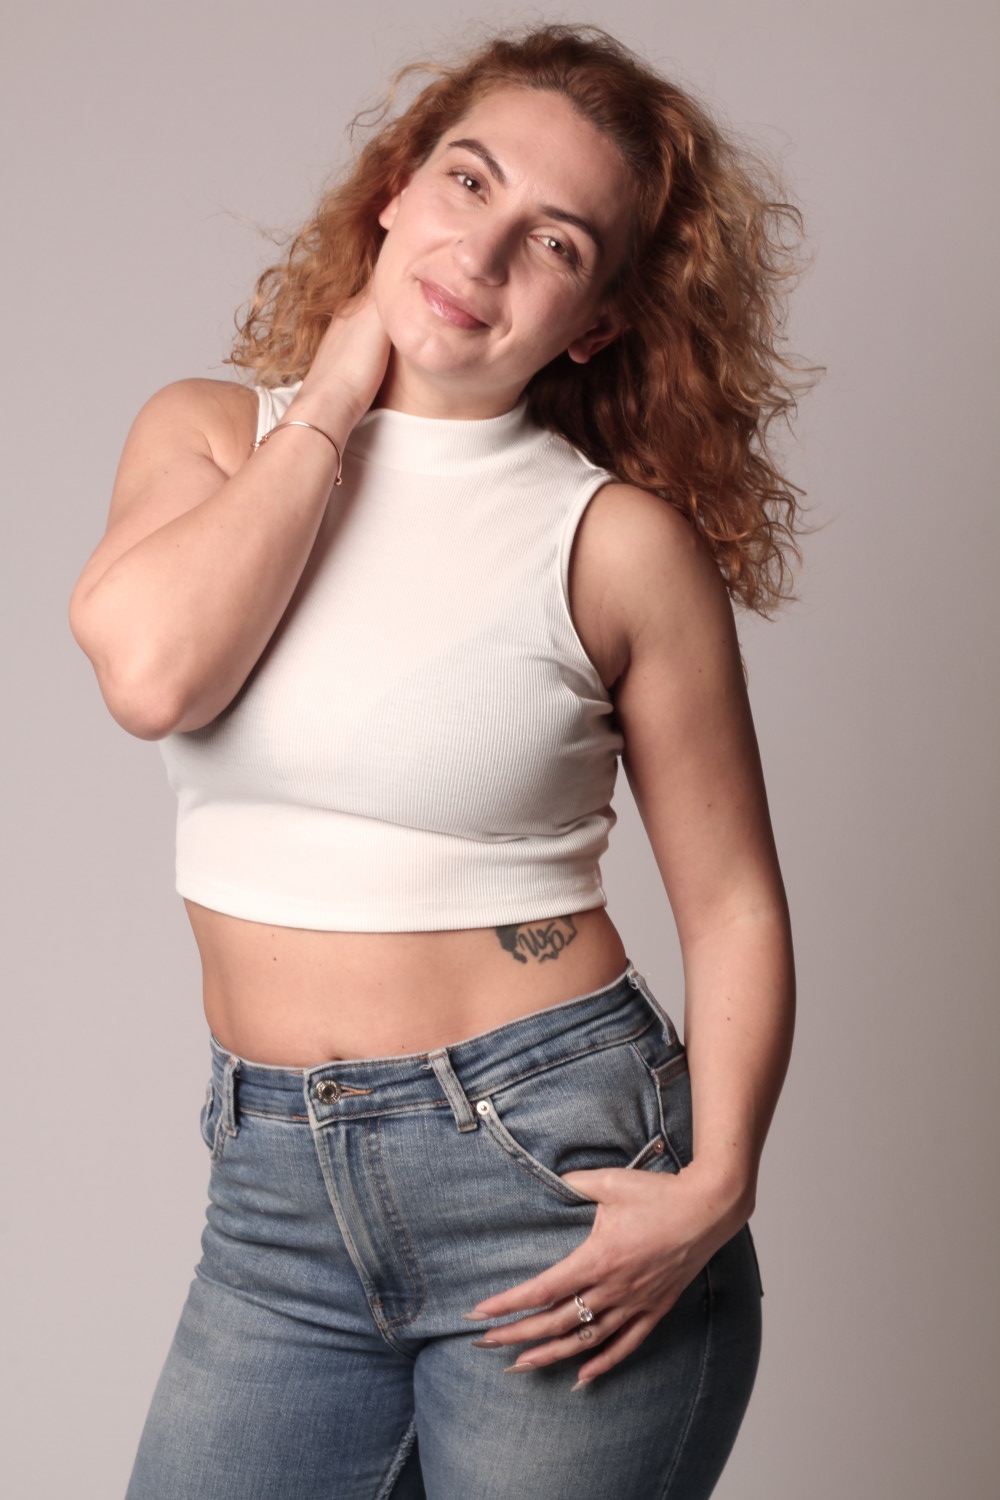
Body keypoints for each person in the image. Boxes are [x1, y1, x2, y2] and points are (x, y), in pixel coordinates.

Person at [70, 23, 806, 1500]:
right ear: (396, 187)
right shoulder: (213, 437)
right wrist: (335, 401)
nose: (484, 250)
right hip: (273, 1197)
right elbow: (152, 671)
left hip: (551, 1176)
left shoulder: (614, 544)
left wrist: (719, 1181)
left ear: (595, 321)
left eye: (556, 242)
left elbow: (732, 902)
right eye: (468, 182)